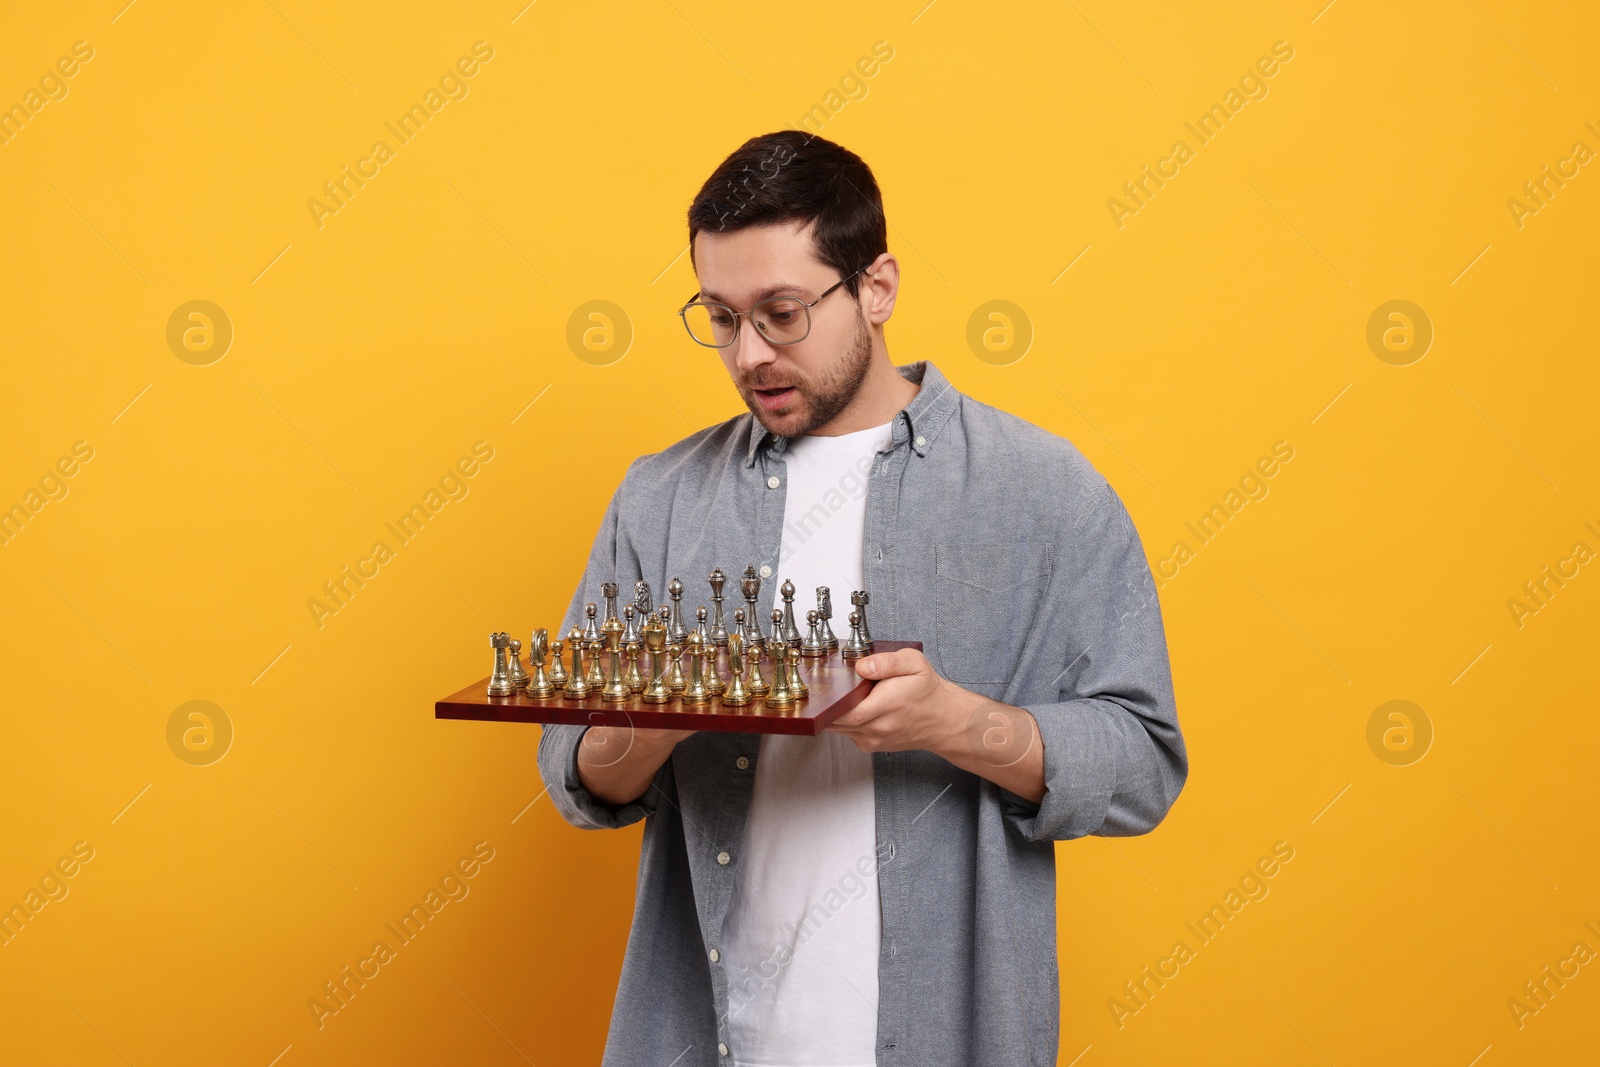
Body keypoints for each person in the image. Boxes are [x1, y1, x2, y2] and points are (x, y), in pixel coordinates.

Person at [537, 130, 1187, 1067]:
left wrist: (955, 722)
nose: (748, 353)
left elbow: (1143, 765)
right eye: (720, 316)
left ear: (876, 287)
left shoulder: (1043, 490)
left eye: (783, 312)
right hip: (699, 1038)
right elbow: (576, 771)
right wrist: (659, 718)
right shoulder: (661, 497)